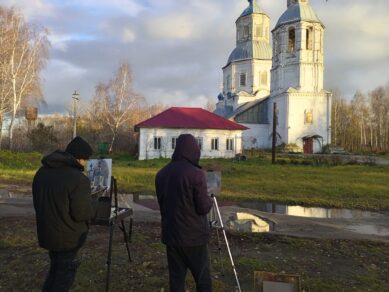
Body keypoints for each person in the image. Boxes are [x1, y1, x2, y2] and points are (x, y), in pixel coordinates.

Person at [32, 136, 96, 292]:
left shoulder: (41, 172)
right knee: (63, 279)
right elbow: (81, 214)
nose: (86, 163)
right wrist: (93, 204)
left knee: (54, 271)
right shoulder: (79, 180)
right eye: (85, 159)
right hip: (68, 239)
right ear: (79, 158)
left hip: (47, 234)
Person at [155, 134, 213, 292]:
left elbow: (163, 204)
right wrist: (210, 200)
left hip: (171, 236)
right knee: (203, 280)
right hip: (194, 238)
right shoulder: (196, 174)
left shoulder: (161, 173)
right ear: (194, 150)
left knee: (176, 280)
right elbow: (202, 208)